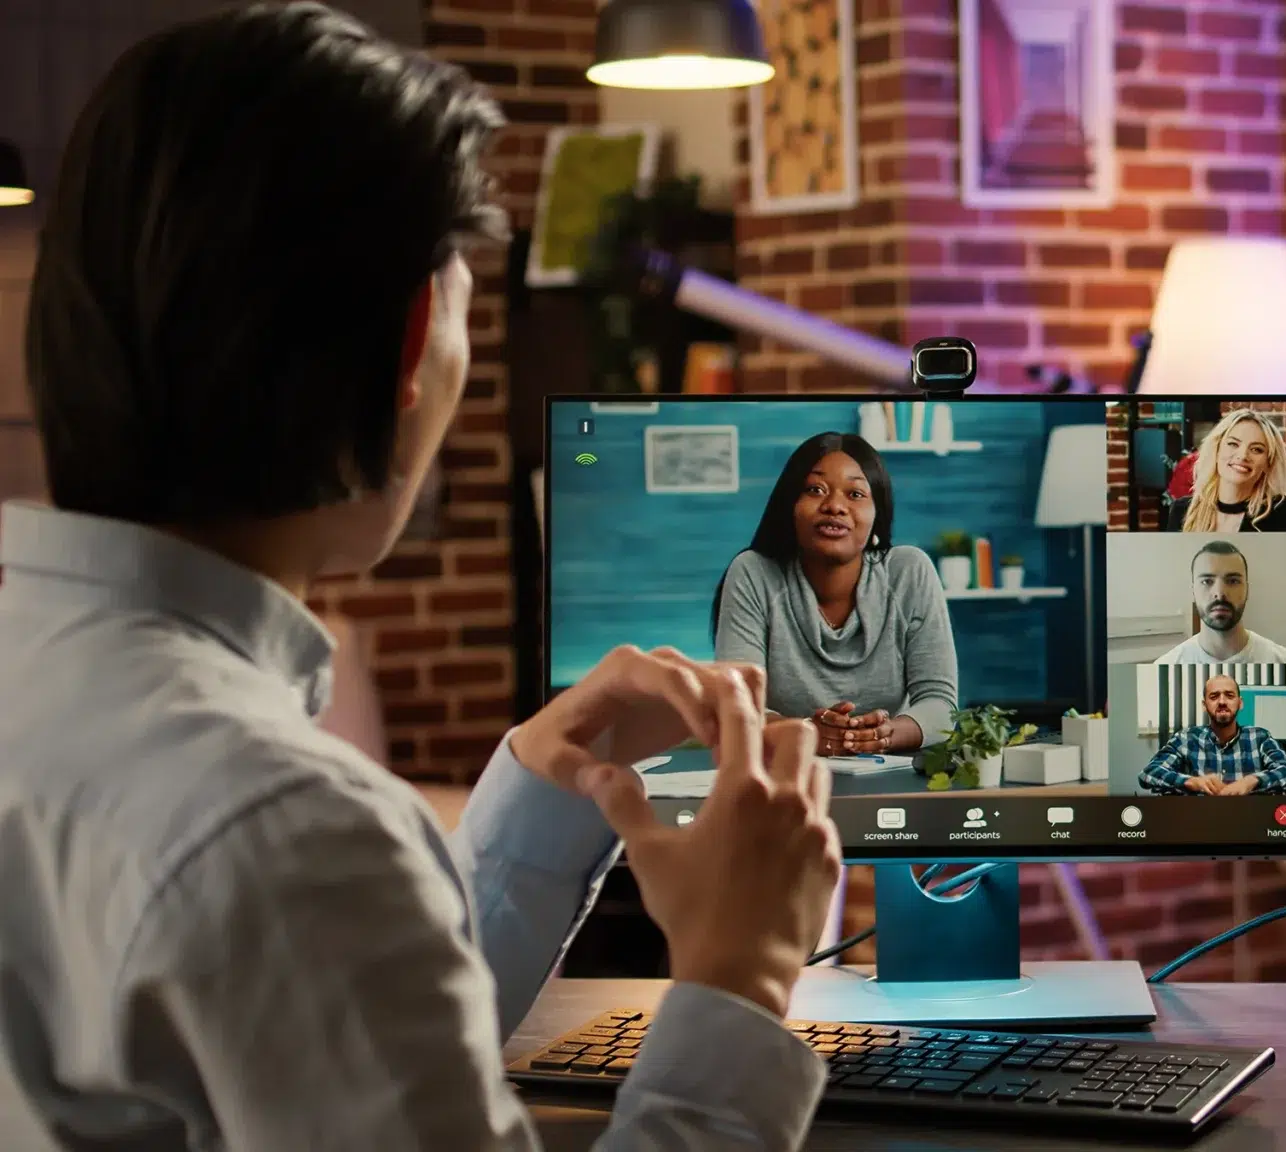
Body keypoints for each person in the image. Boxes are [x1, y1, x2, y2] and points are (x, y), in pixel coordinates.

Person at [0, 5, 840, 1149]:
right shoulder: (286, 826)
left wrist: (537, 808)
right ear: (412, 346)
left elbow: (335, 1062)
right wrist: (743, 972)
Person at [713, 431, 960, 756]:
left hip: (887, 780)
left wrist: (882, 735)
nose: (834, 506)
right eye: (815, 490)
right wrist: (804, 735)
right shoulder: (754, 572)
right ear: (791, 506)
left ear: (877, 515)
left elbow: (940, 705)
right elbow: (736, 709)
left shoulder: (908, 572)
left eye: (856, 493)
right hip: (784, 778)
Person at [1138, 674, 1286, 795]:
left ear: (1240, 702)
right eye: (1214, 696)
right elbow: (1149, 773)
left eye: (1229, 695)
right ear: (1204, 705)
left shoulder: (1260, 737)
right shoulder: (1186, 739)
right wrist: (1191, 782)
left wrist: (1251, 781)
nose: (1222, 701)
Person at [1155, 540, 1286, 663]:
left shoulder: (1283, 661)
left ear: (1247, 589)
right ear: (1193, 591)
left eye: (1233, 581)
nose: (1220, 593)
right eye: (1207, 581)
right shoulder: (1167, 665)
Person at [1165, 409, 1286, 532]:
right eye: (1233, 444)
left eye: (1256, 449)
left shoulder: (1280, 511)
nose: (1242, 455)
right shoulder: (1182, 510)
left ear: (1268, 463)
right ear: (1216, 450)